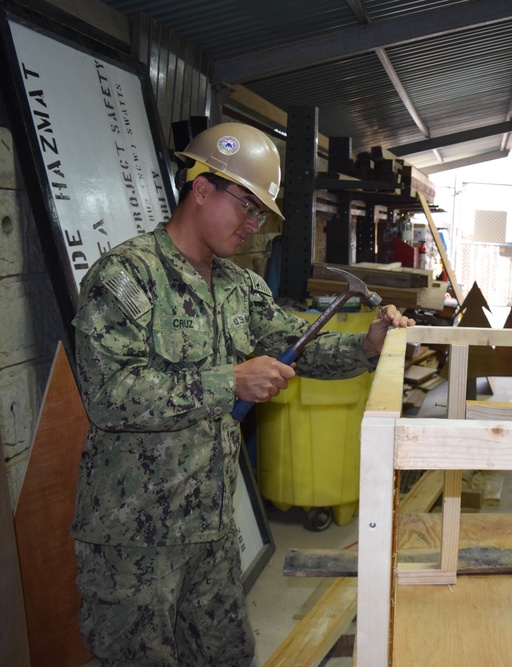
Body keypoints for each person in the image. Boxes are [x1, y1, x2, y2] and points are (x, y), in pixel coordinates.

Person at [71, 122, 414, 666]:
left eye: (261, 216)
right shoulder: (126, 277)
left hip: (212, 531)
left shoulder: (240, 286)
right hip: (133, 542)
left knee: (228, 656)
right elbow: (108, 395)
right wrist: (227, 382)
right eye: (247, 207)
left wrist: (367, 347)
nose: (253, 225)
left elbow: (293, 349)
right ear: (202, 187)